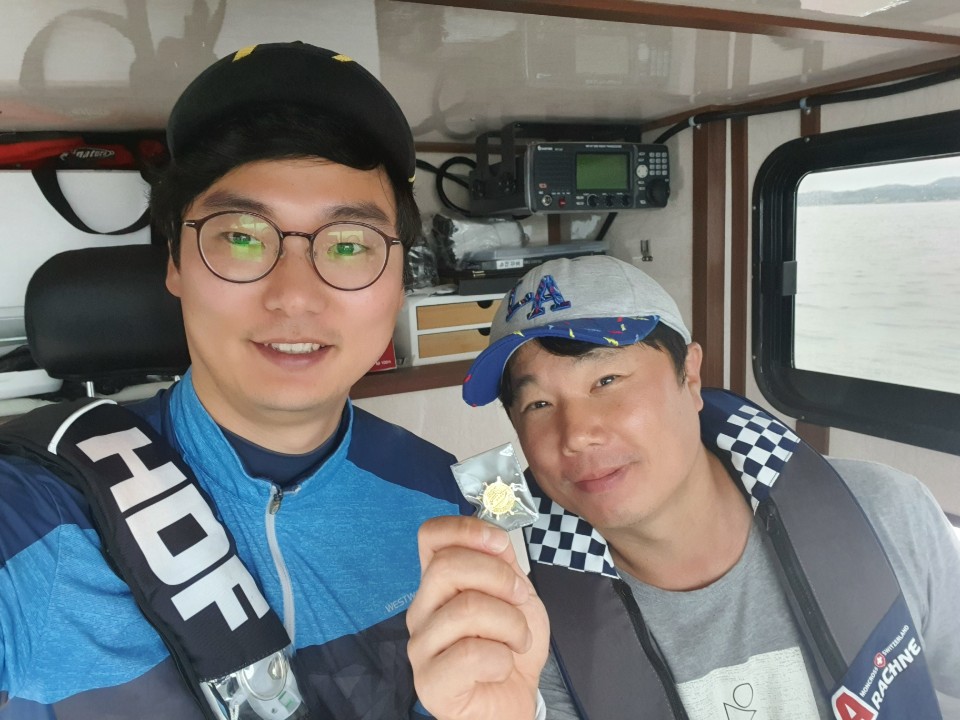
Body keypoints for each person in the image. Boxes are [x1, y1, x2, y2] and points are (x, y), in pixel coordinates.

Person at [0, 42, 472, 719]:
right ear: (175, 262)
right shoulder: (37, 511)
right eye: (243, 237)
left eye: (348, 245)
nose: (294, 296)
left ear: (399, 281)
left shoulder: (446, 504)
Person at [407, 254, 960, 720]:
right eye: (538, 404)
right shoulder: (530, 626)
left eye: (606, 380)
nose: (575, 435)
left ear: (690, 376)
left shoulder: (885, 512)